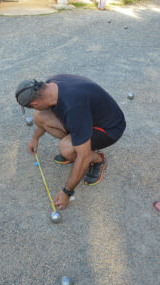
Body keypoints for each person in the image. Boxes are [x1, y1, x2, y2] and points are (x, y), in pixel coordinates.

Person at [15, 74, 126, 210]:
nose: (34, 109)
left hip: (109, 128)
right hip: (86, 118)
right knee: (40, 117)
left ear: (35, 104)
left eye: (31, 107)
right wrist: (35, 138)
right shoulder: (51, 85)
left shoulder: (73, 107)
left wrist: (67, 192)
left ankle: (97, 160)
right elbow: (47, 116)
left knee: (67, 149)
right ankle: (77, 144)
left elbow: (84, 157)